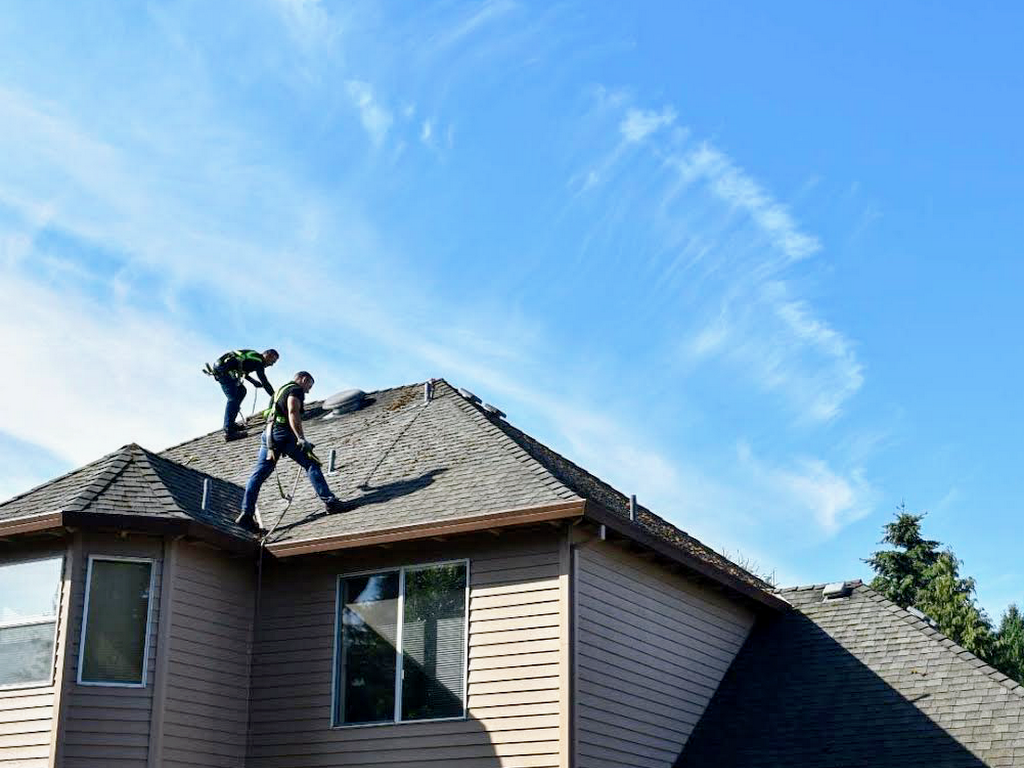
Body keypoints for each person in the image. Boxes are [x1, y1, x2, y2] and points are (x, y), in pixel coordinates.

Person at [236, 371, 346, 532]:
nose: (308, 391)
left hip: (268, 435)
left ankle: (246, 514)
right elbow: (293, 411)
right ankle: (331, 502)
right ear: (303, 379)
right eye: (309, 386)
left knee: (258, 475)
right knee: (311, 463)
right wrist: (300, 438)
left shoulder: (280, 390)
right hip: (284, 434)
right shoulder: (295, 390)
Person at [207, 349, 279, 441]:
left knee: (241, 391)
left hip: (224, 371)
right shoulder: (258, 360)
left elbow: (242, 370)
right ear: (267, 356)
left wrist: (253, 382)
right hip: (223, 372)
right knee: (233, 398)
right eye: (272, 361)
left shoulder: (253, 358)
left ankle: (231, 424)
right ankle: (229, 431)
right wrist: (275, 397)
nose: (271, 365)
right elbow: (264, 381)